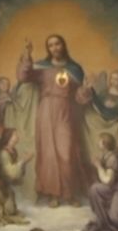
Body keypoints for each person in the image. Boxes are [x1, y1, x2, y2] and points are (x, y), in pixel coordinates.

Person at [17, 34, 89, 206]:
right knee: (49, 153)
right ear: (48, 49)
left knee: (66, 152)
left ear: (63, 45)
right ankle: (53, 194)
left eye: (57, 44)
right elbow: (23, 77)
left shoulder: (75, 68)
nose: (54, 48)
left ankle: (69, 194)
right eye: (50, 45)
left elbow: (80, 98)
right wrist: (27, 55)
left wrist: (85, 90)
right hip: (46, 110)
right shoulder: (43, 67)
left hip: (65, 109)